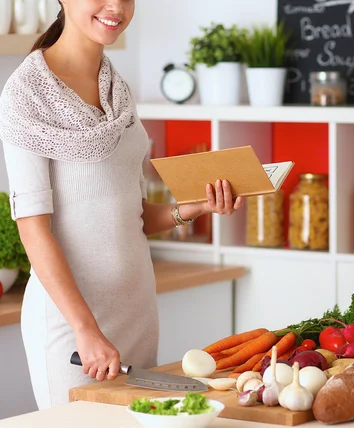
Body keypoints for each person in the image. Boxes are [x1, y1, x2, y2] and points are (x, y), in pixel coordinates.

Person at [0, 0, 243, 409]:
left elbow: (129, 213)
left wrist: (194, 208)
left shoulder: (118, 88)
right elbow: (32, 228)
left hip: (137, 313)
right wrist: (86, 329)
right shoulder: (25, 95)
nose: (116, 6)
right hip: (72, 329)